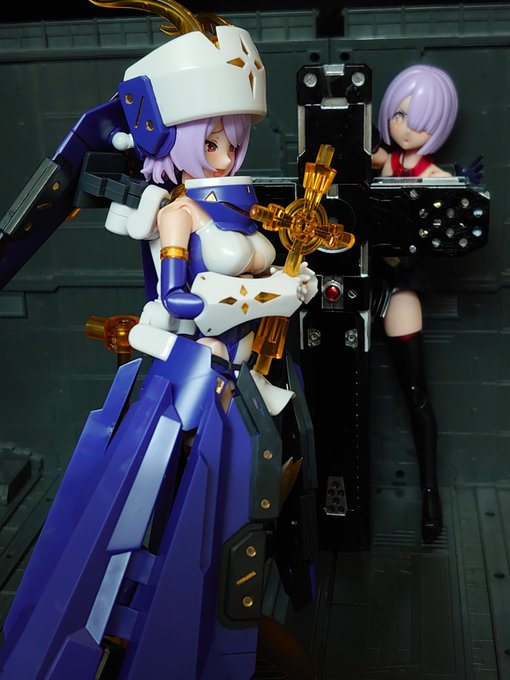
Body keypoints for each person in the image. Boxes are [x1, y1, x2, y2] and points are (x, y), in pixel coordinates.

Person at [374, 64, 459, 543]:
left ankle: (430, 493)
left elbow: (453, 204)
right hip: (361, 276)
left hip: (399, 281)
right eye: (399, 115)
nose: (404, 128)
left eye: (418, 121)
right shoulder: (386, 160)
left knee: (415, 391)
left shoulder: (432, 174)